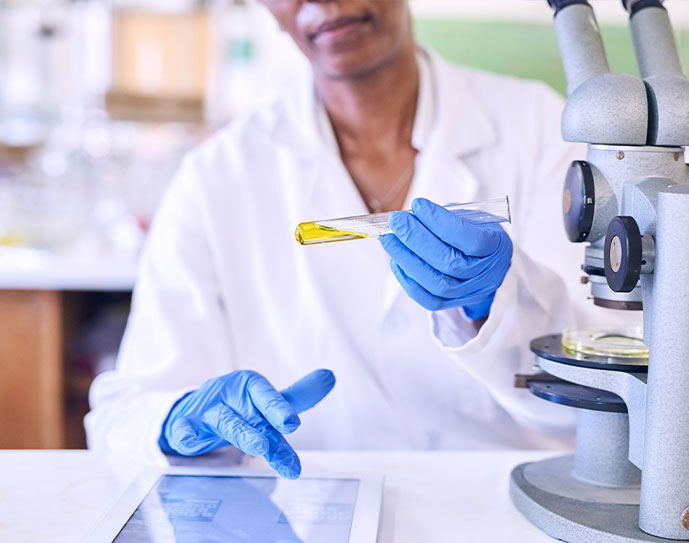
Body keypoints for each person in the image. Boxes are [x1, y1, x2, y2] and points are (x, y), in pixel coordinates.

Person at [86, 0, 592, 475]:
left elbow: (606, 381)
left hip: (508, 508)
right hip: (307, 523)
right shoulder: (216, 177)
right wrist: (181, 421)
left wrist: (499, 306)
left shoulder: (542, 130)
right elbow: (123, 414)